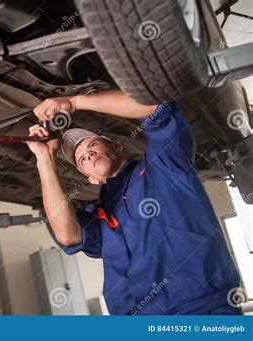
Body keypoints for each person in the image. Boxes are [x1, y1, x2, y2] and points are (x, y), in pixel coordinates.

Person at [26, 90, 242, 315]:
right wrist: (44, 158)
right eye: (81, 159)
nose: (88, 155)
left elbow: (155, 108)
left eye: (92, 145)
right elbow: (67, 235)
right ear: (90, 178)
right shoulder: (99, 215)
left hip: (199, 312)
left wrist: (74, 102)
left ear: (116, 145)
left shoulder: (163, 165)